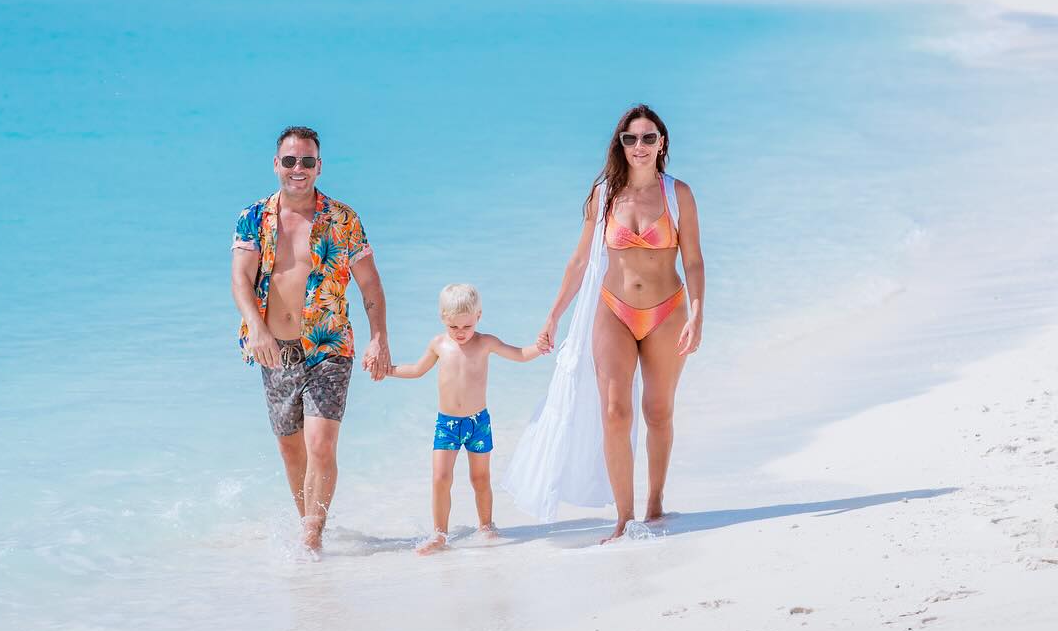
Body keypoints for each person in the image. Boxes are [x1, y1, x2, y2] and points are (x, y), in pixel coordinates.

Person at [505, 103, 705, 542]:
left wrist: (697, 313)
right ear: (621, 144)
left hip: (667, 311)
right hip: (613, 310)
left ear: (662, 143)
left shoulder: (679, 195)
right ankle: (624, 517)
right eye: (631, 138)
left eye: (648, 138)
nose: (639, 146)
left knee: (658, 410)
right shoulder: (605, 194)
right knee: (615, 411)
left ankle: (655, 503)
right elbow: (579, 261)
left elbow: (692, 259)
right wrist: (553, 315)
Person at [231, 126, 391, 555]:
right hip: (274, 350)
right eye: (290, 161)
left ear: (319, 166)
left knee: (320, 445)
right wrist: (256, 327)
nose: (297, 169)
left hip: (329, 346)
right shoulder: (253, 217)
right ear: (276, 165)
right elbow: (241, 279)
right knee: (291, 450)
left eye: (306, 161)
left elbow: (371, 285)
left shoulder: (343, 219)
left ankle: (311, 538)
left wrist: (379, 338)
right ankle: (310, 521)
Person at [387, 283, 547, 555]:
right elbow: (416, 370)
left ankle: (486, 526)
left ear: (478, 316)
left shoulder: (486, 343)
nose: (460, 332)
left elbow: (519, 355)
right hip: (447, 425)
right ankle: (439, 534)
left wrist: (538, 348)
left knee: (480, 478)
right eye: (454, 327)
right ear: (443, 318)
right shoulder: (438, 344)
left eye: (467, 326)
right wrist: (387, 370)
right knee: (440, 477)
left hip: (477, 423)